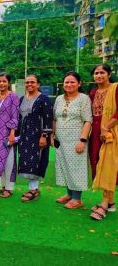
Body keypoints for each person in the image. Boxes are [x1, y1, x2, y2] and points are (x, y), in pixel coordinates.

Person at [52, 71, 92, 209]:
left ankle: (77, 199)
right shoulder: (59, 99)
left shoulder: (84, 98)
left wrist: (82, 140)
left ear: (79, 84)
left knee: (76, 168)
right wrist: (53, 135)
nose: (69, 85)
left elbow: (88, 120)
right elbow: (55, 118)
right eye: (66, 82)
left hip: (76, 140)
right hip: (61, 140)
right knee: (64, 166)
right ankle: (69, 194)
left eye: (72, 82)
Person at [17, 75, 53, 202]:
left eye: (32, 82)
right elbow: (19, 118)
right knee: (27, 162)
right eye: (27, 82)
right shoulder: (22, 99)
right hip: (25, 135)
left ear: (38, 84)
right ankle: (33, 189)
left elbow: (48, 118)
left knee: (36, 161)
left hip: (38, 135)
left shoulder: (44, 99)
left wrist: (44, 136)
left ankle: (34, 190)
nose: (29, 84)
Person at [90, 65, 118, 220]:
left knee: (109, 165)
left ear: (109, 74)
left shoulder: (116, 88)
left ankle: (105, 203)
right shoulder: (93, 92)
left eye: (102, 72)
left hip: (110, 132)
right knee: (98, 163)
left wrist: (105, 128)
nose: (99, 75)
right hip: (95, 132)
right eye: (96, 73)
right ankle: (111, 202)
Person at [0, 73, 20, 198]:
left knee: (9, 160)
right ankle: (2, 186)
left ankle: (9, 188)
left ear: (8, 83)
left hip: (7, 132)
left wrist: (12, 133)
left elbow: (15, 116)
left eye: (4, 81)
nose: (1, 84)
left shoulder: (13, 97)